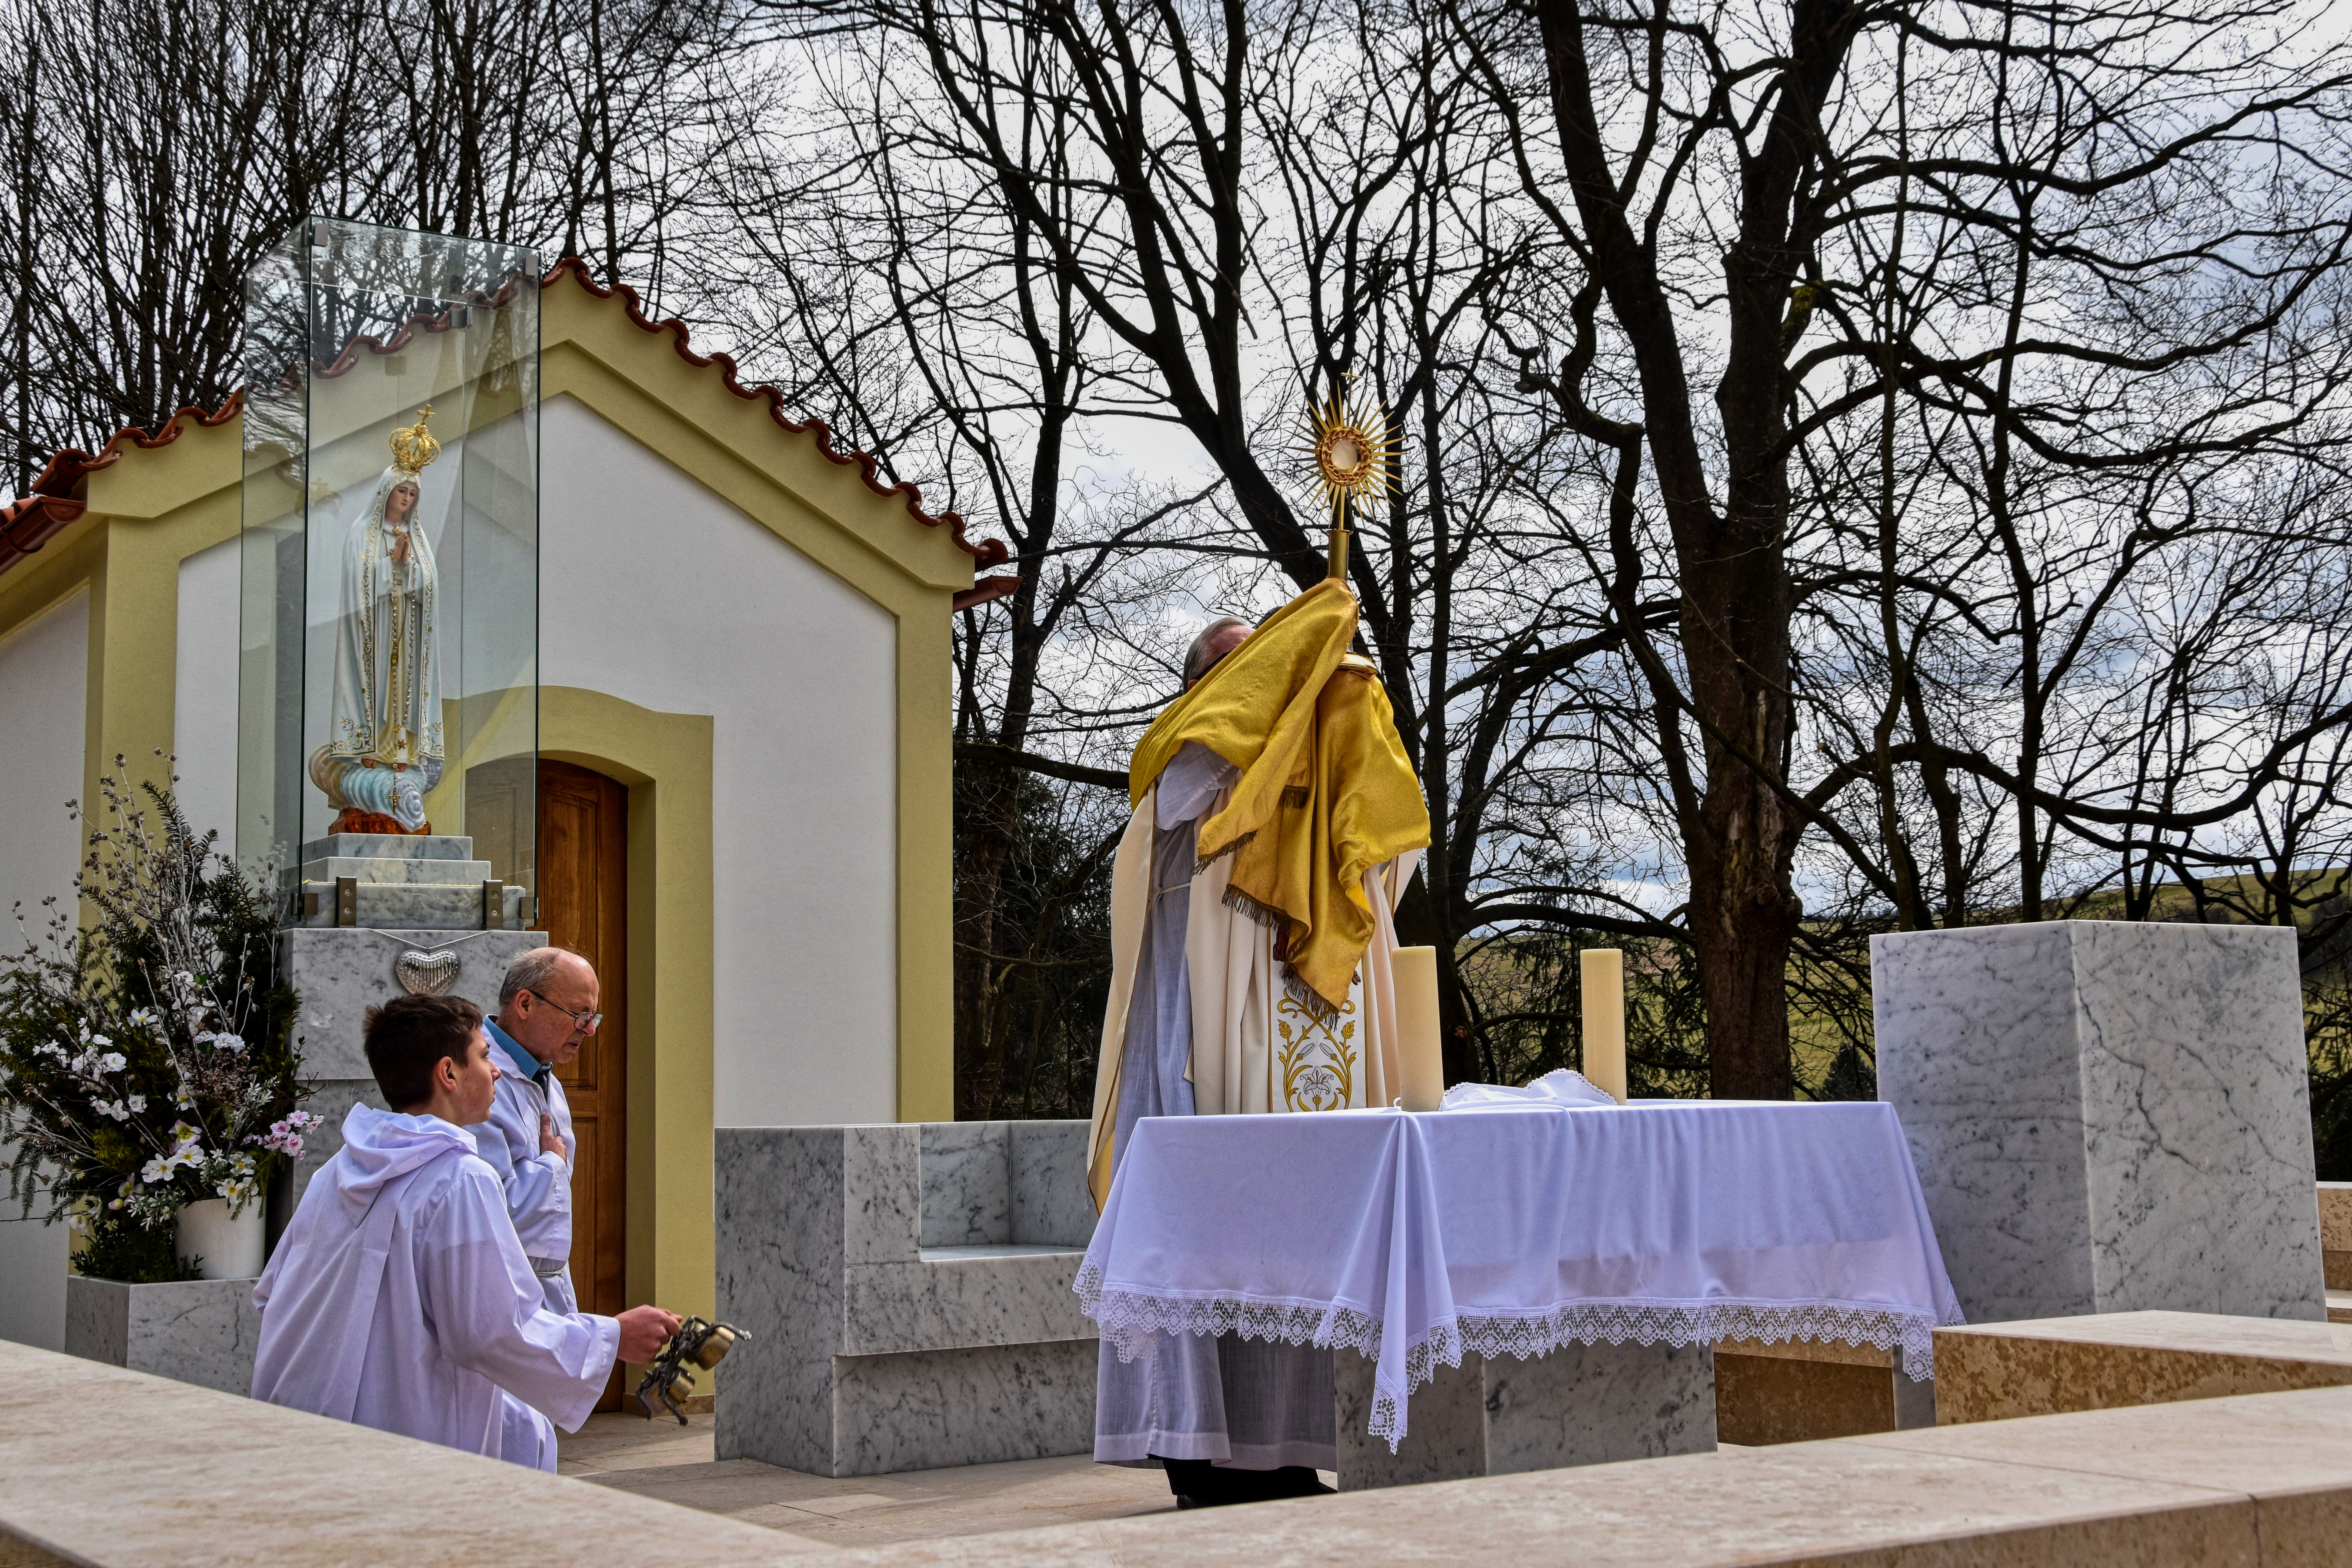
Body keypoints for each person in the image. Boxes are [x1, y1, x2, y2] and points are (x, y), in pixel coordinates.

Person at [1084, 584, 1431, 1506]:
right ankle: (1198, 1451)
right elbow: (1188, 806)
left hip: (1308, 1040)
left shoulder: (1316, 780)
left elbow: (1392, 856)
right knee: (1206, 1238)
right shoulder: (1185, 764)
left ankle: (1286, 1445)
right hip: (1199, 1047)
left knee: (1301, 1235)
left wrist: (1344, 704)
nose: (1264, 684)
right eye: (1236, 669)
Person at [251, 993, 678, 1469]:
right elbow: (490, 1332)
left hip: (312, 1419)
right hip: (409, 1433)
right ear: (449, 1074)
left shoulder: (338, 1169)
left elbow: (275, 1292)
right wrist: (612, 1337)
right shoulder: (459, 1178)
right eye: (483, 1056)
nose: (495, 1071)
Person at [468, 946, 601, 1467]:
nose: (589, 1030)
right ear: (525, 1003)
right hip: (495, 1297)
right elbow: (489, 1214)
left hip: (537, 1289)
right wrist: (549, 1166)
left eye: (594, 1018)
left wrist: (550, 1166)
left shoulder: (545, 1075)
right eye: (579, 1015)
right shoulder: (483, 1080)